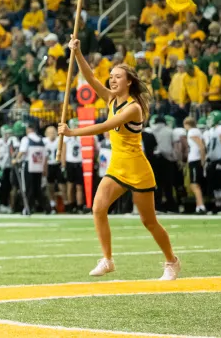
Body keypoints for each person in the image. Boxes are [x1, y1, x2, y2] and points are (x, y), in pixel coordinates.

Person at [60, 37, 180, 280]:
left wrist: (72, 133)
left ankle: (172, 261)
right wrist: (78, 52)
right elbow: (91, 78)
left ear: (129, 81)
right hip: (117, 166)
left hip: (137, 168)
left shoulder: (133, 107)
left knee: (149, 221)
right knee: (98, 209)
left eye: (118, 77)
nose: (112, 80)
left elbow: (106, 126)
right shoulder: (112, 99)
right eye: (111, 76)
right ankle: (107, 260)